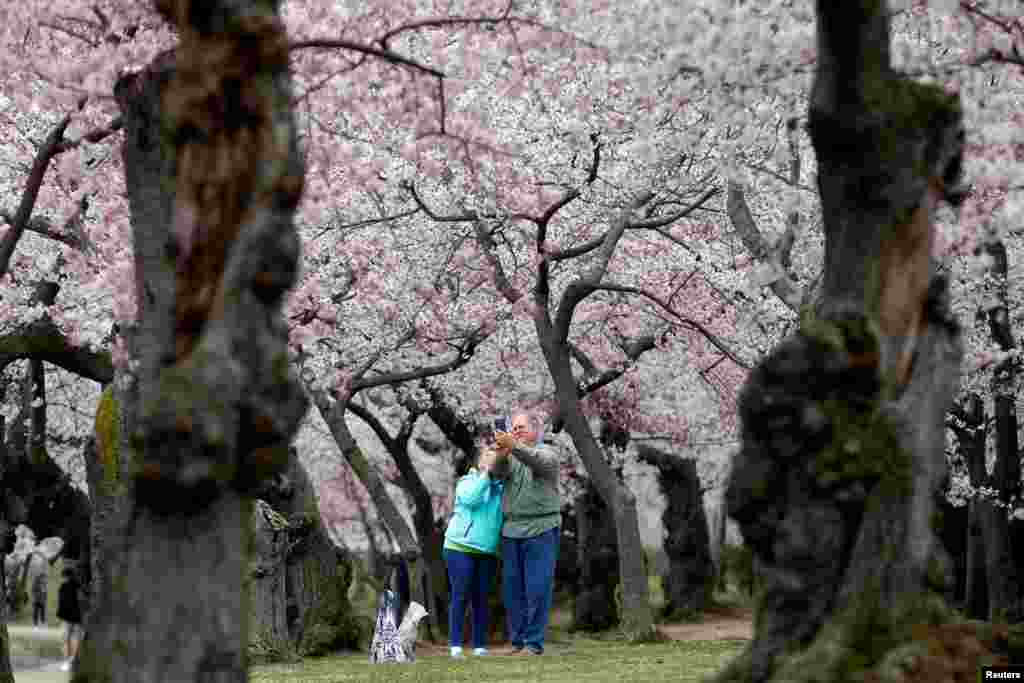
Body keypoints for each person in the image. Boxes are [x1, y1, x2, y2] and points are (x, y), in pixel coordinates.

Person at [494, 411, 560, 656]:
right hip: (512, 530)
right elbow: (496, 474)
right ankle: (517, 641)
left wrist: (515, 446)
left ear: (536, 429)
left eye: (521, 427)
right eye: (514, 427)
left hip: (541, 529)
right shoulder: (511, 455)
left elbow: (536, 461)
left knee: (537, 588)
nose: (517, 430)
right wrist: (501, 454)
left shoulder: (548, 453)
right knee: (512, 590)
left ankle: (533, 643)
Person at [443, 448, 504, 658]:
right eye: (488, 460)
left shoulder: (501, 489)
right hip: (459, 546)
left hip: (487, 551)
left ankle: (479, 645)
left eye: (495, 461)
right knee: (461, 595)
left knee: (481, 598)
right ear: (479, 464)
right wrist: (485, 476)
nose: (492, 464)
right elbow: (471, 499)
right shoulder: (467, 483)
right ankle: (456, 644)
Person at [56, 566, 83, 672]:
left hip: (68, 617)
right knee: (75, 639)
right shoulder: (79, 586)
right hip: (78, 617)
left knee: (65, 639)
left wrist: (60, 615)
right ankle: (72, 660)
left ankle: (67, 662)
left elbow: (63, 602)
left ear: (65, 576)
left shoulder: (64, 586)